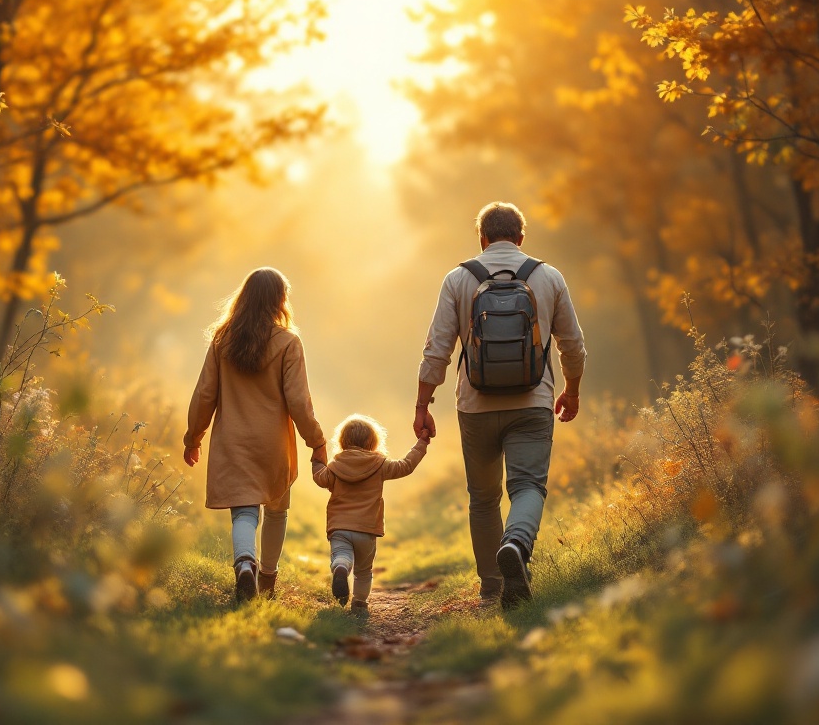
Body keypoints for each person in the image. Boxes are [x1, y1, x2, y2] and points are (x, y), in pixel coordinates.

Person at [414, 201, 586, 608]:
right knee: (527, 485)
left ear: (482, 238)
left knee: (483, 497)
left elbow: (436, 350)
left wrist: (423, 405)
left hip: (475, 404)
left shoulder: (458, 278)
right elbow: (573, 345)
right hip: (533, 402)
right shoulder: (548, 276)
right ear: (522, 238)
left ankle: (492, 587)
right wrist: (573, 390)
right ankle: (517, 545)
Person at [183, 267, 327, 603]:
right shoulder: (288, 342)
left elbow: (205, 394)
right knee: (277, 509)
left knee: (245, 513)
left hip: (233, 441)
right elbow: (298, 400)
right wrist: (316, 441)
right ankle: (267, 579)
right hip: (273, 445)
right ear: (279, 300)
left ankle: (244, 563)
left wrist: (194, 437)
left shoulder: (222, 340)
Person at [312, 415, 429, 613]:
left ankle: (340, 566)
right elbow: (406, 465)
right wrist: (422, 443)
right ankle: (359, 603)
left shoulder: (335, 466)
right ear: (373, 441)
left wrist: (317, 459)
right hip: (366, 529)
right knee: (364, 571)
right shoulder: (380, 465)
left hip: (339, 527)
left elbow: (319, 478)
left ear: (342, 441)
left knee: (342, 556)